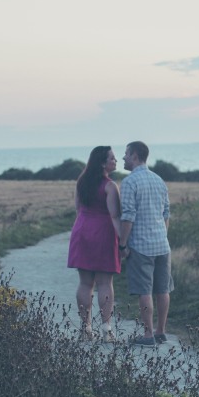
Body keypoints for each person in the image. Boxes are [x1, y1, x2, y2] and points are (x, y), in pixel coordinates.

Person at [118, 141, 173, 346]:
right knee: (163, 289)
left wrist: (122, 244)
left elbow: (128, 216)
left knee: (145, 290)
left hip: (141, 245)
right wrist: (162, 234)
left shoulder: (130, 182)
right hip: (162, 244)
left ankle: (148, 334)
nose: (123, 158)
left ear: (134, 156)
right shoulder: (159, 180)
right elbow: (166, 213)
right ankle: (161, 331)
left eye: (125, 154)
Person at [67, 146, 121, 342]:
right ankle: (107, 330)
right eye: (112, 159)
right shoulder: (110, 186)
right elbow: (115, 216)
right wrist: (123, 243)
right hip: (102, 232)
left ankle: (85, 329)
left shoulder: (81, 183)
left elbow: (77, 209)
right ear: (102, 163)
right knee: (105, 282)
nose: (116, 161)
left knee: (84, 283)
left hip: (81, 230)